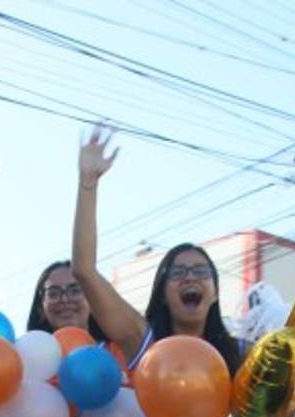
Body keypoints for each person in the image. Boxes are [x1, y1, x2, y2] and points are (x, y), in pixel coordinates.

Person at [70, 127, 244, 374]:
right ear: (162, 293)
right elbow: (84, 270)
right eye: (178, 273)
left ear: (215, 292)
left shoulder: (239, 352)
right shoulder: (143, 341)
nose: (190, 277)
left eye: (200, 271)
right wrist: (88, 183)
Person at [25, 260, 106, 339]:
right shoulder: (26, 352)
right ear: (40, 309)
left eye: (75, 291)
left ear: (93, 302)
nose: (65, 299)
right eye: (53, 294)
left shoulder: (114, 349)